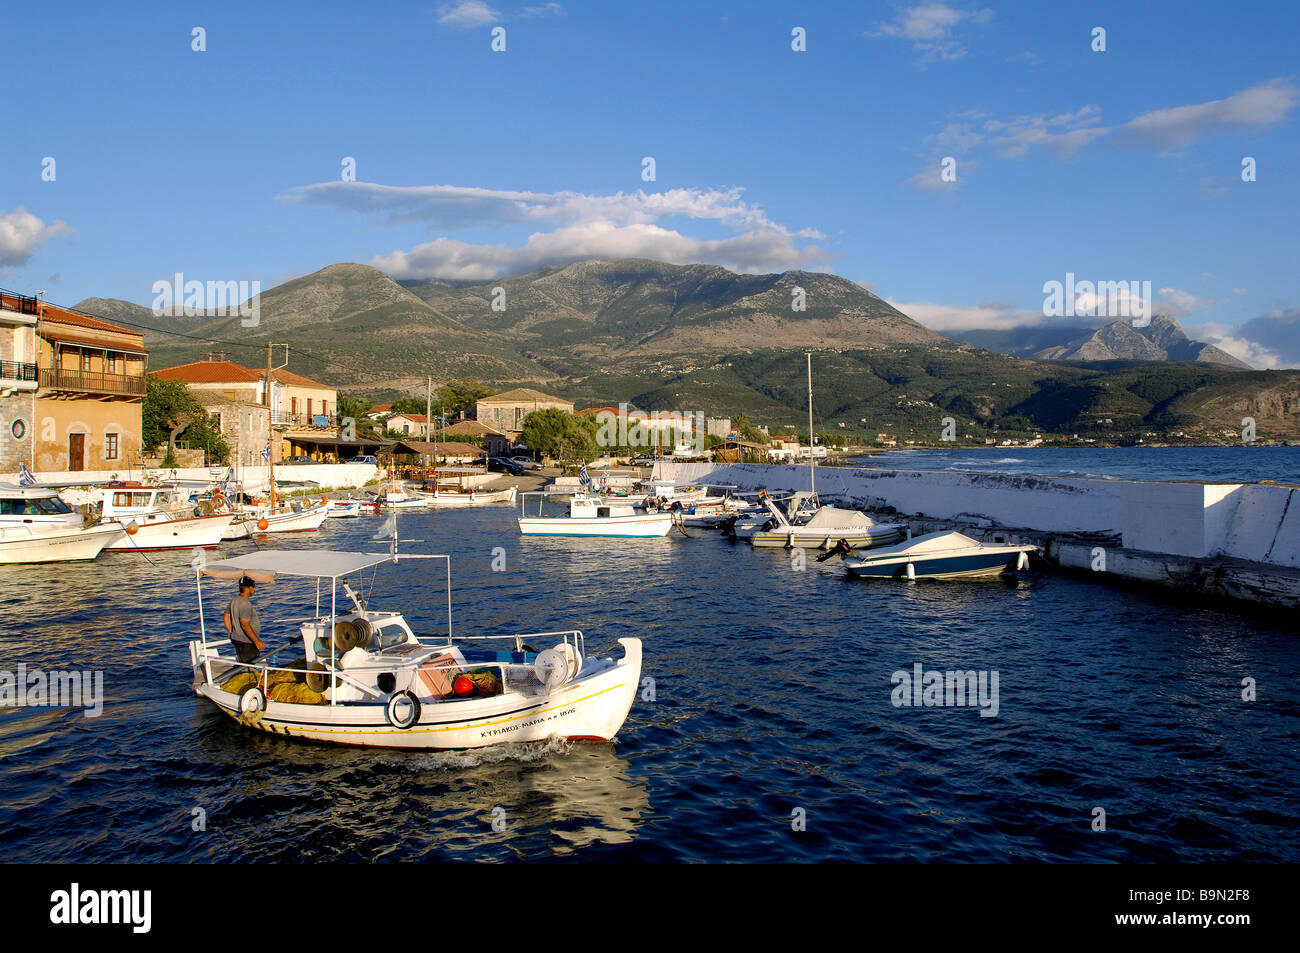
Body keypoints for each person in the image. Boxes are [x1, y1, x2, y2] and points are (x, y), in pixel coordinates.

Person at [223, 576, 266, 663]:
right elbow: (244, 624)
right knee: (250, 666)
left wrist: (230, 631)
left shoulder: (235, 600)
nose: (255, 589)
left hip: (237, 639)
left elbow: (226, 616)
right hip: (246, 641)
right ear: (248, 588)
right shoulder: (245, 603)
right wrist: (257, 641)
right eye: (254, 587)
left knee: (243, 664)